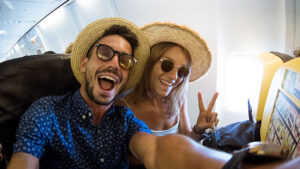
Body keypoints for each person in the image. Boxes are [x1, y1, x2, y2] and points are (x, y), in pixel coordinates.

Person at [6, 17, 300, 169]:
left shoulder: (122, 120)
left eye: (124, 60)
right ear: (84, 62)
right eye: (105, 53)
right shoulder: (46, 112)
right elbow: (24, 159)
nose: (114, 64)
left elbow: (163, 148)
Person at [121, 22, 218, 141]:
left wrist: (198, 129)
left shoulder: (179, 99)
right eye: (167, 65)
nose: (174, 77)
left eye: (182, 71)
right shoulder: (124, 106)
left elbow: (186, 140)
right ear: (149, 63)